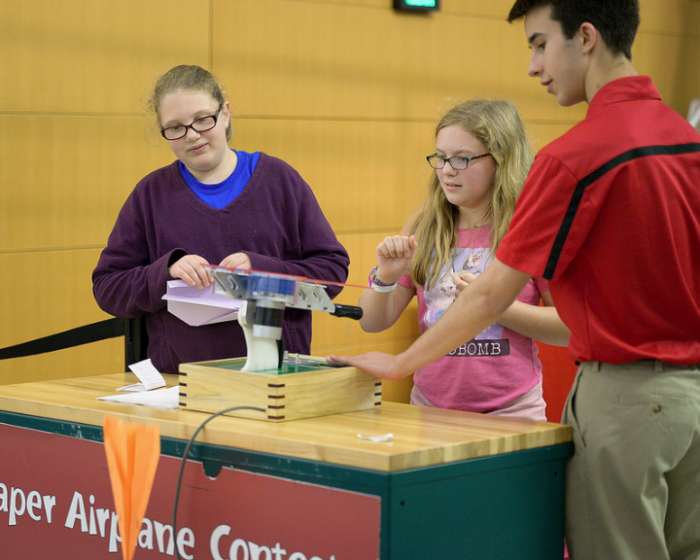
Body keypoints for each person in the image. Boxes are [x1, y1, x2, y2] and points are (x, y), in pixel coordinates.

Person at [328, 1, 700, 559]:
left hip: (620, 397)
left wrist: (400, 364)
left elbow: (490, 294)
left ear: (587, 37)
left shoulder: (573, 157)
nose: (533, 64)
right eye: (441, 159)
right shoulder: (682, 136)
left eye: (540, 43)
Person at [93, 65, 349, 374]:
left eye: (203, 120)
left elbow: (332, 272)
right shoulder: (150, 195)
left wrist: (263, 271)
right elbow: (108, 287)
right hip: (181, 382)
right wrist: (166, 271)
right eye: (175, 127)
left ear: (225, 113)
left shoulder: (279, 181)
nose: (193, 136)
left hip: (274, 379)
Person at [357, 99, 569, 421]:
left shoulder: (529, 230)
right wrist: (385, 278)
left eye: (462, 159)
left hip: (512, 410)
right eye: (440, 158)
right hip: (430, 407)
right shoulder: (425, 227)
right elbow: (371, 321)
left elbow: (567, 327)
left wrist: (493, 304)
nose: (446, 170)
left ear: (501, 161)